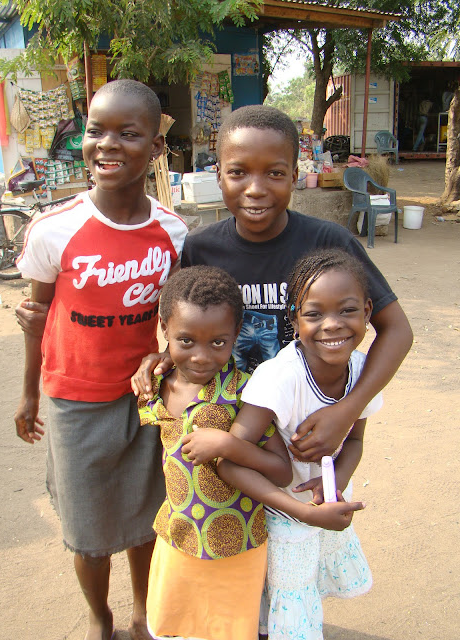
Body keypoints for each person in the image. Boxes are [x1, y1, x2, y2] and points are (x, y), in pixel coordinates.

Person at [132, 104, 412, 466]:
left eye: (275, 173)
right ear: (219, 176)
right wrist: (168, 355)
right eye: (238, 172)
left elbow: (397, 330)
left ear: (294, 176)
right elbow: (193, 324)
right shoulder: (201, 247)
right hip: (230, 428)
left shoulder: (329, 243)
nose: (255, 189)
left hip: (305, 430)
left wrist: (347, 410)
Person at [14, 79, 188, 640]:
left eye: (128, 134)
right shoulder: (53, 229)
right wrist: (29, 393)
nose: (107, 144)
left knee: (145, 518)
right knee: (88, 533)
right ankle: (100, 615)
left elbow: (178, 320)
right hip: (76, 400)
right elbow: (37, 317)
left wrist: (163, 355)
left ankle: (141, 611)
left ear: (155, 148)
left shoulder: (173, 233)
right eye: (95, 131)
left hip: (145, 399)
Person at [138, 265, 365, 640]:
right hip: (178, 533)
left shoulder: (245, 393)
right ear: (164, 329)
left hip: (238, 541)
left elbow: (281, 470)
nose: (201, 356)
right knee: (178, 623)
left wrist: (228, 444)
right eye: (186, 341)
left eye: (218, 343)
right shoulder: (155, 383)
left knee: (231, 628)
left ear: (236, 334)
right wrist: (150, 364)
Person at [234, 247, 381, 639]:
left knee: (302, 593)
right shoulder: (279, 379)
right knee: (284, 604)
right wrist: (302, 513)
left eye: (347, 310)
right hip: (280, 514)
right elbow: (230, 460)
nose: (332, 325)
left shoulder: (363, 371)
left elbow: (355, 439)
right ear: (294, 320)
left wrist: (334, 485)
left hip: (322, 508)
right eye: (314, 314)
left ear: (367, 312)